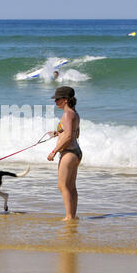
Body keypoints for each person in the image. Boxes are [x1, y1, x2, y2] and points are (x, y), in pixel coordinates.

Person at [47, 86, 82, 221]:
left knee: (62, 185)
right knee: (71, 187)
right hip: (76, 152)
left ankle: (68, 217)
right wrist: (58, 133)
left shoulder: (67, 114)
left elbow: (68, 137)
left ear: (65, 100)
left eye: (57, 99)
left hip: (68, 153)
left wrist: (54, 151)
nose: (55, 101)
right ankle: (72, 216)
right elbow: (75, 133)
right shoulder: (74, 113)